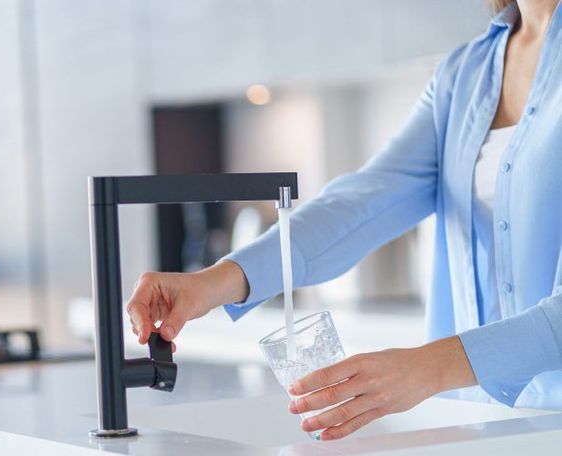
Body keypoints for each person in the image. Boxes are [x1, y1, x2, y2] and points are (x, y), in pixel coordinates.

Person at [126, 0, 562, 441]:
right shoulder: (465, 74)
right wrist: (215, 282)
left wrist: (430, 367)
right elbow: (361, 203)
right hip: (481, 421)